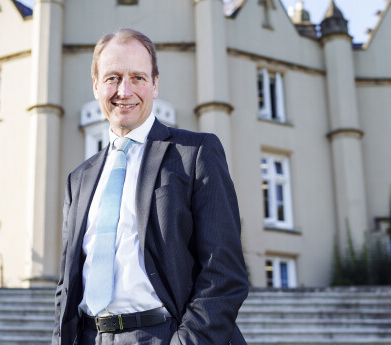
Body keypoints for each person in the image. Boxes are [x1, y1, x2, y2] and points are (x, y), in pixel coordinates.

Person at [54, 28, 249, 345]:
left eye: (138, 78)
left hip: (162, 335)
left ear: (155, 84)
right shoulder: (79, 179)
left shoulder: (196, 154)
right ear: (96, 86)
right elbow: (66, 286)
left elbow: (224, 273)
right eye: (113, 78)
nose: (124, 90)